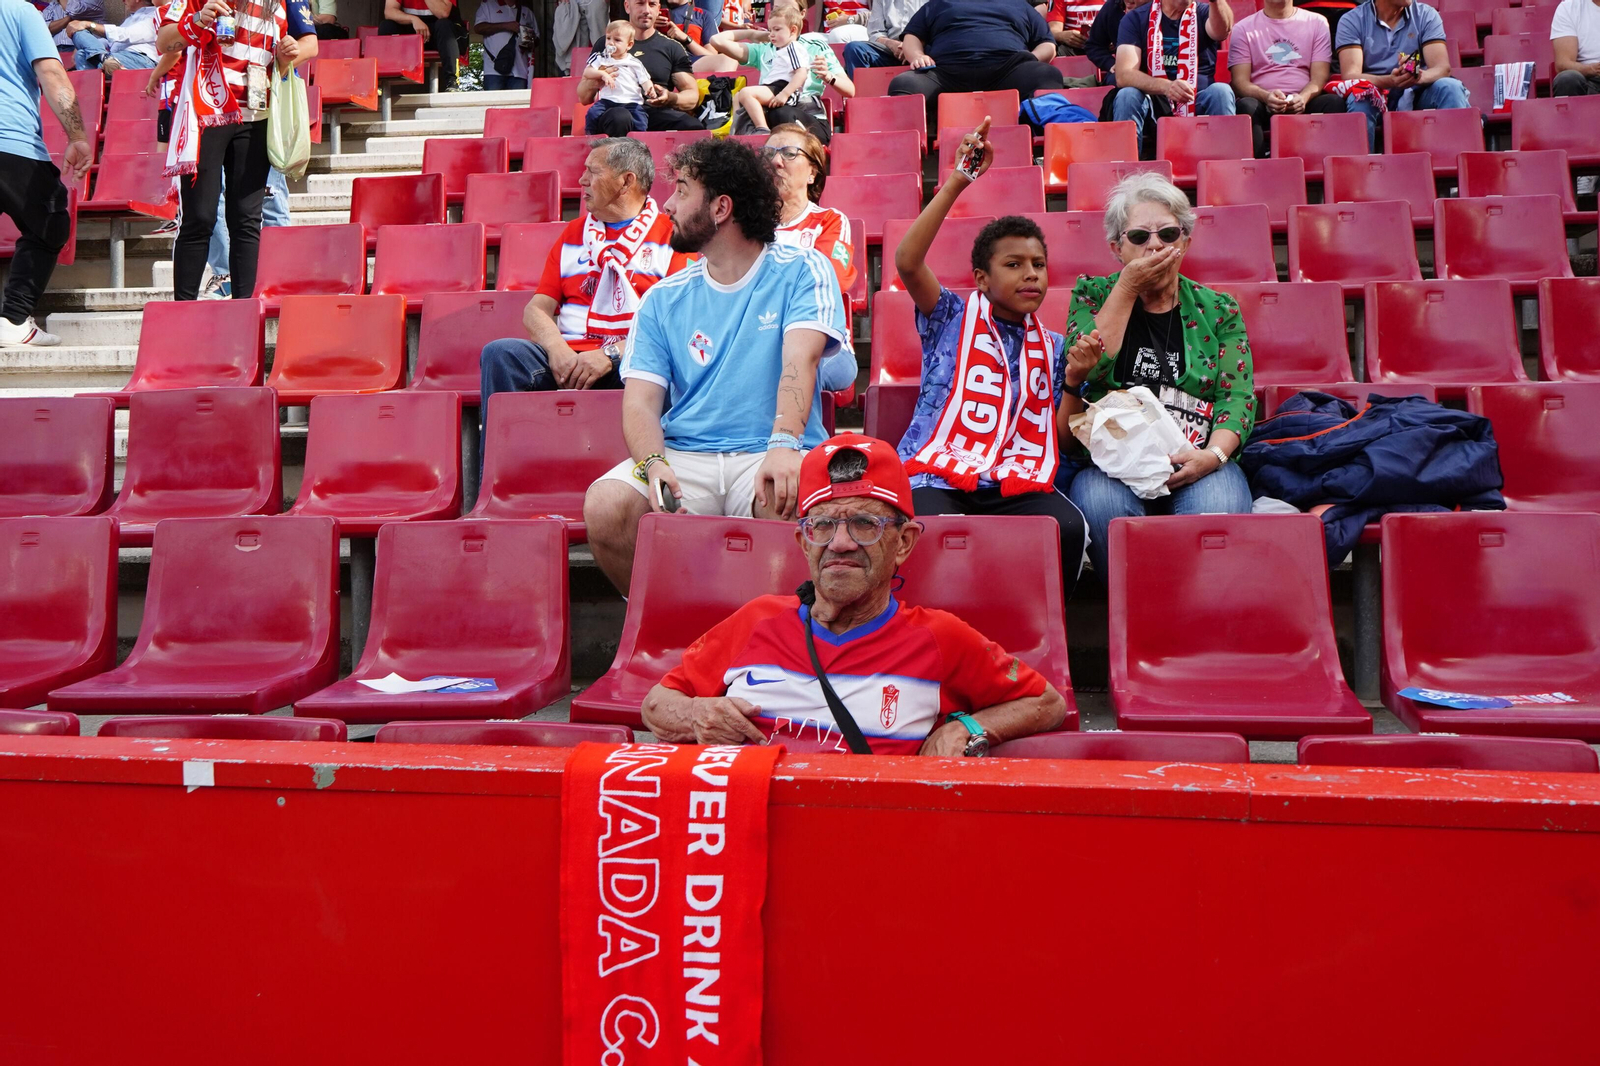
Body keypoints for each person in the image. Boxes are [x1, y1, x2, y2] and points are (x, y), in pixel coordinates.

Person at [640, 433, 1070, 754]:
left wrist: (967, 729)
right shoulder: (758, 620)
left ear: (903, 542)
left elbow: (1045, 703)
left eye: (865, 524)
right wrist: (697, 715)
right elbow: (657, 704)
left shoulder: (940, 638)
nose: (840, 542)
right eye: (822, 525)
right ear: (803, 542)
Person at [582, 138, 849, 594]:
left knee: (791, 494)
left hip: (770, 446)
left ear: (721, 207)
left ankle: (777, 638)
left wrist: (784, 444)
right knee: (606, 504)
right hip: (687, 455)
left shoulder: (804, 268)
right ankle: (669, 631)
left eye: (682, 190)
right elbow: (642, 403)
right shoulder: (662, 298)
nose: (666, 202)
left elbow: (800, 360)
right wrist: (653, 463)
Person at [892, 121, 1089, 598]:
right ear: (981, 278)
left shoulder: (1056, 345)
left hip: (1012, 479)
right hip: (937, 472)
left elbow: (1063, 433)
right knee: (928, 529)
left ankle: (1032, 632)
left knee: (1066, 527)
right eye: (1014, 264)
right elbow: (907, 263)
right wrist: (958, 178)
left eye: (1038, 265)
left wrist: (1074, 381)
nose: (1031, 275)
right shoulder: (950, 316)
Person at [1062, 171, 1254, 580]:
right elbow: (1086, 369)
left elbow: (1236, 397)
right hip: (1114, 463)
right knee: (1100, 506)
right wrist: (1128, 287)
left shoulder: (1219, 308)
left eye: (1168, 234)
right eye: (1139, 238)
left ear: (1185, 241)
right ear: (1117, 247)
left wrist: (1212, 457)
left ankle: (1195, 617)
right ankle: (1141, 617)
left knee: (1217, 507)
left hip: (1198, 454)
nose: (1155, 245)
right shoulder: (1091, 295)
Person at [479, 138, 687, 428]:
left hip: (631, 360)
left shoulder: (673, 236)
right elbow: (536, 309)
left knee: (659, 368)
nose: (581, 180)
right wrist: (557, 348)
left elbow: (676, 323)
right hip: (567, 359)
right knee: (501, 354)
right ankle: (497, 470)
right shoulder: (573, 233)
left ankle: (653, 467)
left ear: (626, 181)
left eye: (593, 171)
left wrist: (610, 355)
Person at [157, 0, 316, 302]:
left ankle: (244, 312)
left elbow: (307, 45)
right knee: (200, 217)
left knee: (246, 219)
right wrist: (197, 21)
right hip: (208, 113)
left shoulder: (280, 3)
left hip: (257, 115)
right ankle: (183, 311)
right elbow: (165, 41)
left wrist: (286, 56)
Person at [0, 0, 91, 347]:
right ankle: (14, 319)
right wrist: (78, 137)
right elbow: (51, 73)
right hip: (10, 140)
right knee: (50, 222)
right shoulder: (20, 11)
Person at [766, 122, 861, 403]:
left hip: (825, 347)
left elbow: (828, 281)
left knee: (787, 368)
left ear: (812, 172)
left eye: (788, 153)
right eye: (768, 153)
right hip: (761, 342)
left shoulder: (830, 221)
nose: (775, 161)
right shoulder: (744, 226)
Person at [1335, 0, 1466, 151]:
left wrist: (1419, 76)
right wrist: (1389, 81)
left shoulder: (1426, 14)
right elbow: (1351, 75)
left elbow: (1442, 68)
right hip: (1376, 93)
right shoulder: (1352, 20)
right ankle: (1361, 169)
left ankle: (1456, 163)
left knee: (1450, 87)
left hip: (1416, 91)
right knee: (1359, 98)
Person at [889, 0, 1064, 111]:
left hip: (1009, 69)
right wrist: (917, 55)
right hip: (945, 72)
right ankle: (910, 155)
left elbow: (1047, 44)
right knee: (903, 84)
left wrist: (1033, 58)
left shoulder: (1021, 5)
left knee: (1047, 75)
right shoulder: (938, 3)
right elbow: (912, 36)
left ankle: (1036, 142)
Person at [1112, 0, 1236, 153]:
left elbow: (1222, 31)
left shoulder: (1203, 13)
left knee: (1221, 91)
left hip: (1197, 99)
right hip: (1155, 103)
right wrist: (1167, 87)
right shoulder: (1136, 18)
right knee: (1127, 95)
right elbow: (1124, 75)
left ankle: (1226, 167)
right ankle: (1126, 168)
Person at [711, 2, 852, 135]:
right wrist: (751, 33)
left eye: (787, 8)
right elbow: (716, 41)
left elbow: (850, 91)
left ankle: (774, 135)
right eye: (776, 9)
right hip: (772, 108)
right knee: (742, 102)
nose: (780, 13)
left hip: (807, 115)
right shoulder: (764, 49)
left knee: (780, 113)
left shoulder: (816, 47)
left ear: (801, 14)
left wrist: (829, 76)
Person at [1230, 0, 1345, 157]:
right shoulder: (1243, 28)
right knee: (1246, 106)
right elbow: (1239, 82)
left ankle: (1327, 167)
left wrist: (1303, 98)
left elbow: (1320, 77)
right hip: (1263, 102)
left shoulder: (1317, 23)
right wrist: (1266, 96)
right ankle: (1258, 169)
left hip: (1305, 100)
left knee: (1334, 102)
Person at [581, 0, 705, 135]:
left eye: (652, 4)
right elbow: (583, 97)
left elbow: (692, 97)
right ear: (627, 6)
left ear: (658, 9)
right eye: (640, 3)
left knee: (693, 127)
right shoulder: (606, 44)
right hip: (615, 109)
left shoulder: (672, 47)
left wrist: (670, 98)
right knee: (620, 117)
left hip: (653, 112)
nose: (646, 10)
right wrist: (597, 80)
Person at [581, 20, 655, 132]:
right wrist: (602, 74)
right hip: (607, 100)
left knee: (640, 120)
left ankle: (639, 141)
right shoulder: (601, 58)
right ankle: (590, 136)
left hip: (631, 101)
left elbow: (645, 80)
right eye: (608, 38)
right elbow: (587, 72)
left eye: (617, 40)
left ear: (629, 45)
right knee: (593, 113)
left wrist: (649, 89)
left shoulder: (634, 62)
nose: (611, 43)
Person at [380, 0, 458, 92]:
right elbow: (389, 11)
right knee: (386, 25)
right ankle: (385, 78)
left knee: (444, 25)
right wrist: (414, 19)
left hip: (439, 33)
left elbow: (443, 13)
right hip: (413, 30)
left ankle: (452, 80)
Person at [67, 0, 160, 71]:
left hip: (140, 59)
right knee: (80, 49)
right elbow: (111, 42)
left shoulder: (155, 14)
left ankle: (103, 57)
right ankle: (103, 58)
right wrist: (86, 43)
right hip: (116, 58)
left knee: (80, 29)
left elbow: (126, 34)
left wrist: (90, 25)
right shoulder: (130, 19)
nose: (123, 1)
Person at [841, 0, 925, 76]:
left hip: (921, 50)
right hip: (891, 50)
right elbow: (875, 33)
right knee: (854, 48)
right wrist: (892, 44)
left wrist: (912, 48)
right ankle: (861, 91)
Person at [473, 0, 537, 90]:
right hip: (493, 70)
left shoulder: (527, 12)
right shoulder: (488, 6)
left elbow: (537, 40)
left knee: (518, 103)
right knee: (493, 103)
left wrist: (526, 36)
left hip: (520, 71)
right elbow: (478, 28)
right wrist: (505, 26)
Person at [1552, 0, 1600, 96]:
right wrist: (1591, 69)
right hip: (1589, 80)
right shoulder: (1568, 8)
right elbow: (1563, 64)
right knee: (1567, 79)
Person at [1084, 0, 1140, 82]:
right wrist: (1111, 64)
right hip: (1124, 74)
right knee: (1122, 85)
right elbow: (1093, 45)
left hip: (1159, 71)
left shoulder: (1163, 8)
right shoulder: (1112, 7)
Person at [40, 0, 104, 48]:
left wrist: (70, 17)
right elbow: (45, 28)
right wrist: (69, 18)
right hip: (56, 49)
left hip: (83, 48)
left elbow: (75, 11)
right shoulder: (53, 5)